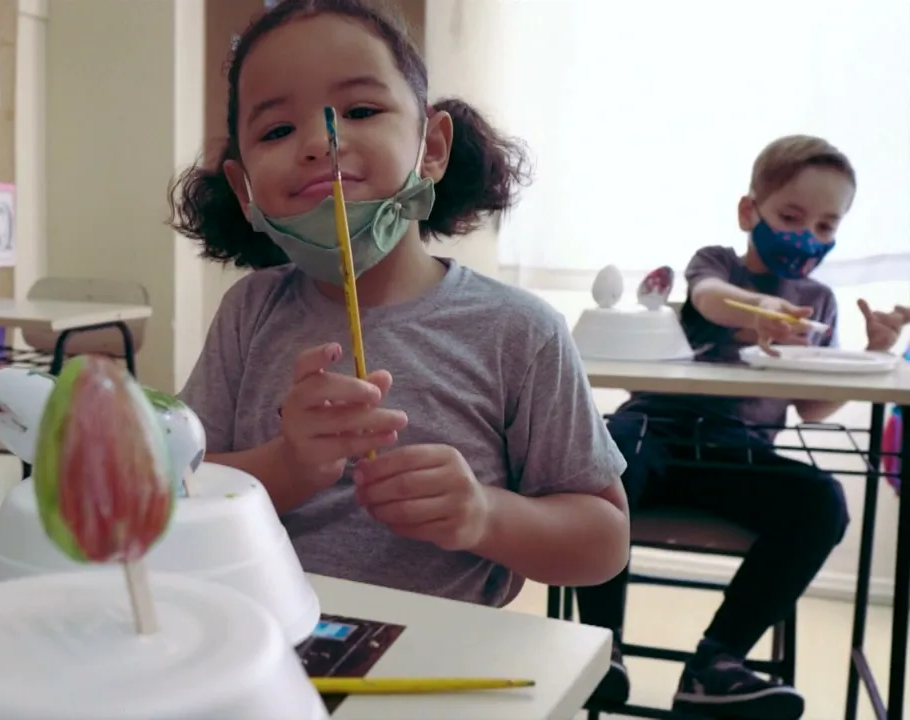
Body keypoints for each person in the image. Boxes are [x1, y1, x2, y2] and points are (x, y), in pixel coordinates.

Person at [169, 0, 630, 611]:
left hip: (435, 663)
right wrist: (288, 464)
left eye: (360, 111)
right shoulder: (249, 313)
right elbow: (178, 492)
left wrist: (484, 515)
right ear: (244, 190)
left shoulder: (520, 332)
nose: (318, 143)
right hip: (260, 641)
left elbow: (603, 544)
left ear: (433, 147)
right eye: (277, 129)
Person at [576, 135, 910, 720]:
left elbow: (811, 407)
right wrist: (761, 315)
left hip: (738, 456)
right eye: (790, 217)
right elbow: (710, 300)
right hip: (656, 428)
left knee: (822, 503)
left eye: (828, 227)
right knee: (601, 463)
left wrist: (877, 350)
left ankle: (717, 662)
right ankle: (602, 646)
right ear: (749, 212)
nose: (808, 238)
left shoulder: (820, 301)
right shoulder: (717, 264)